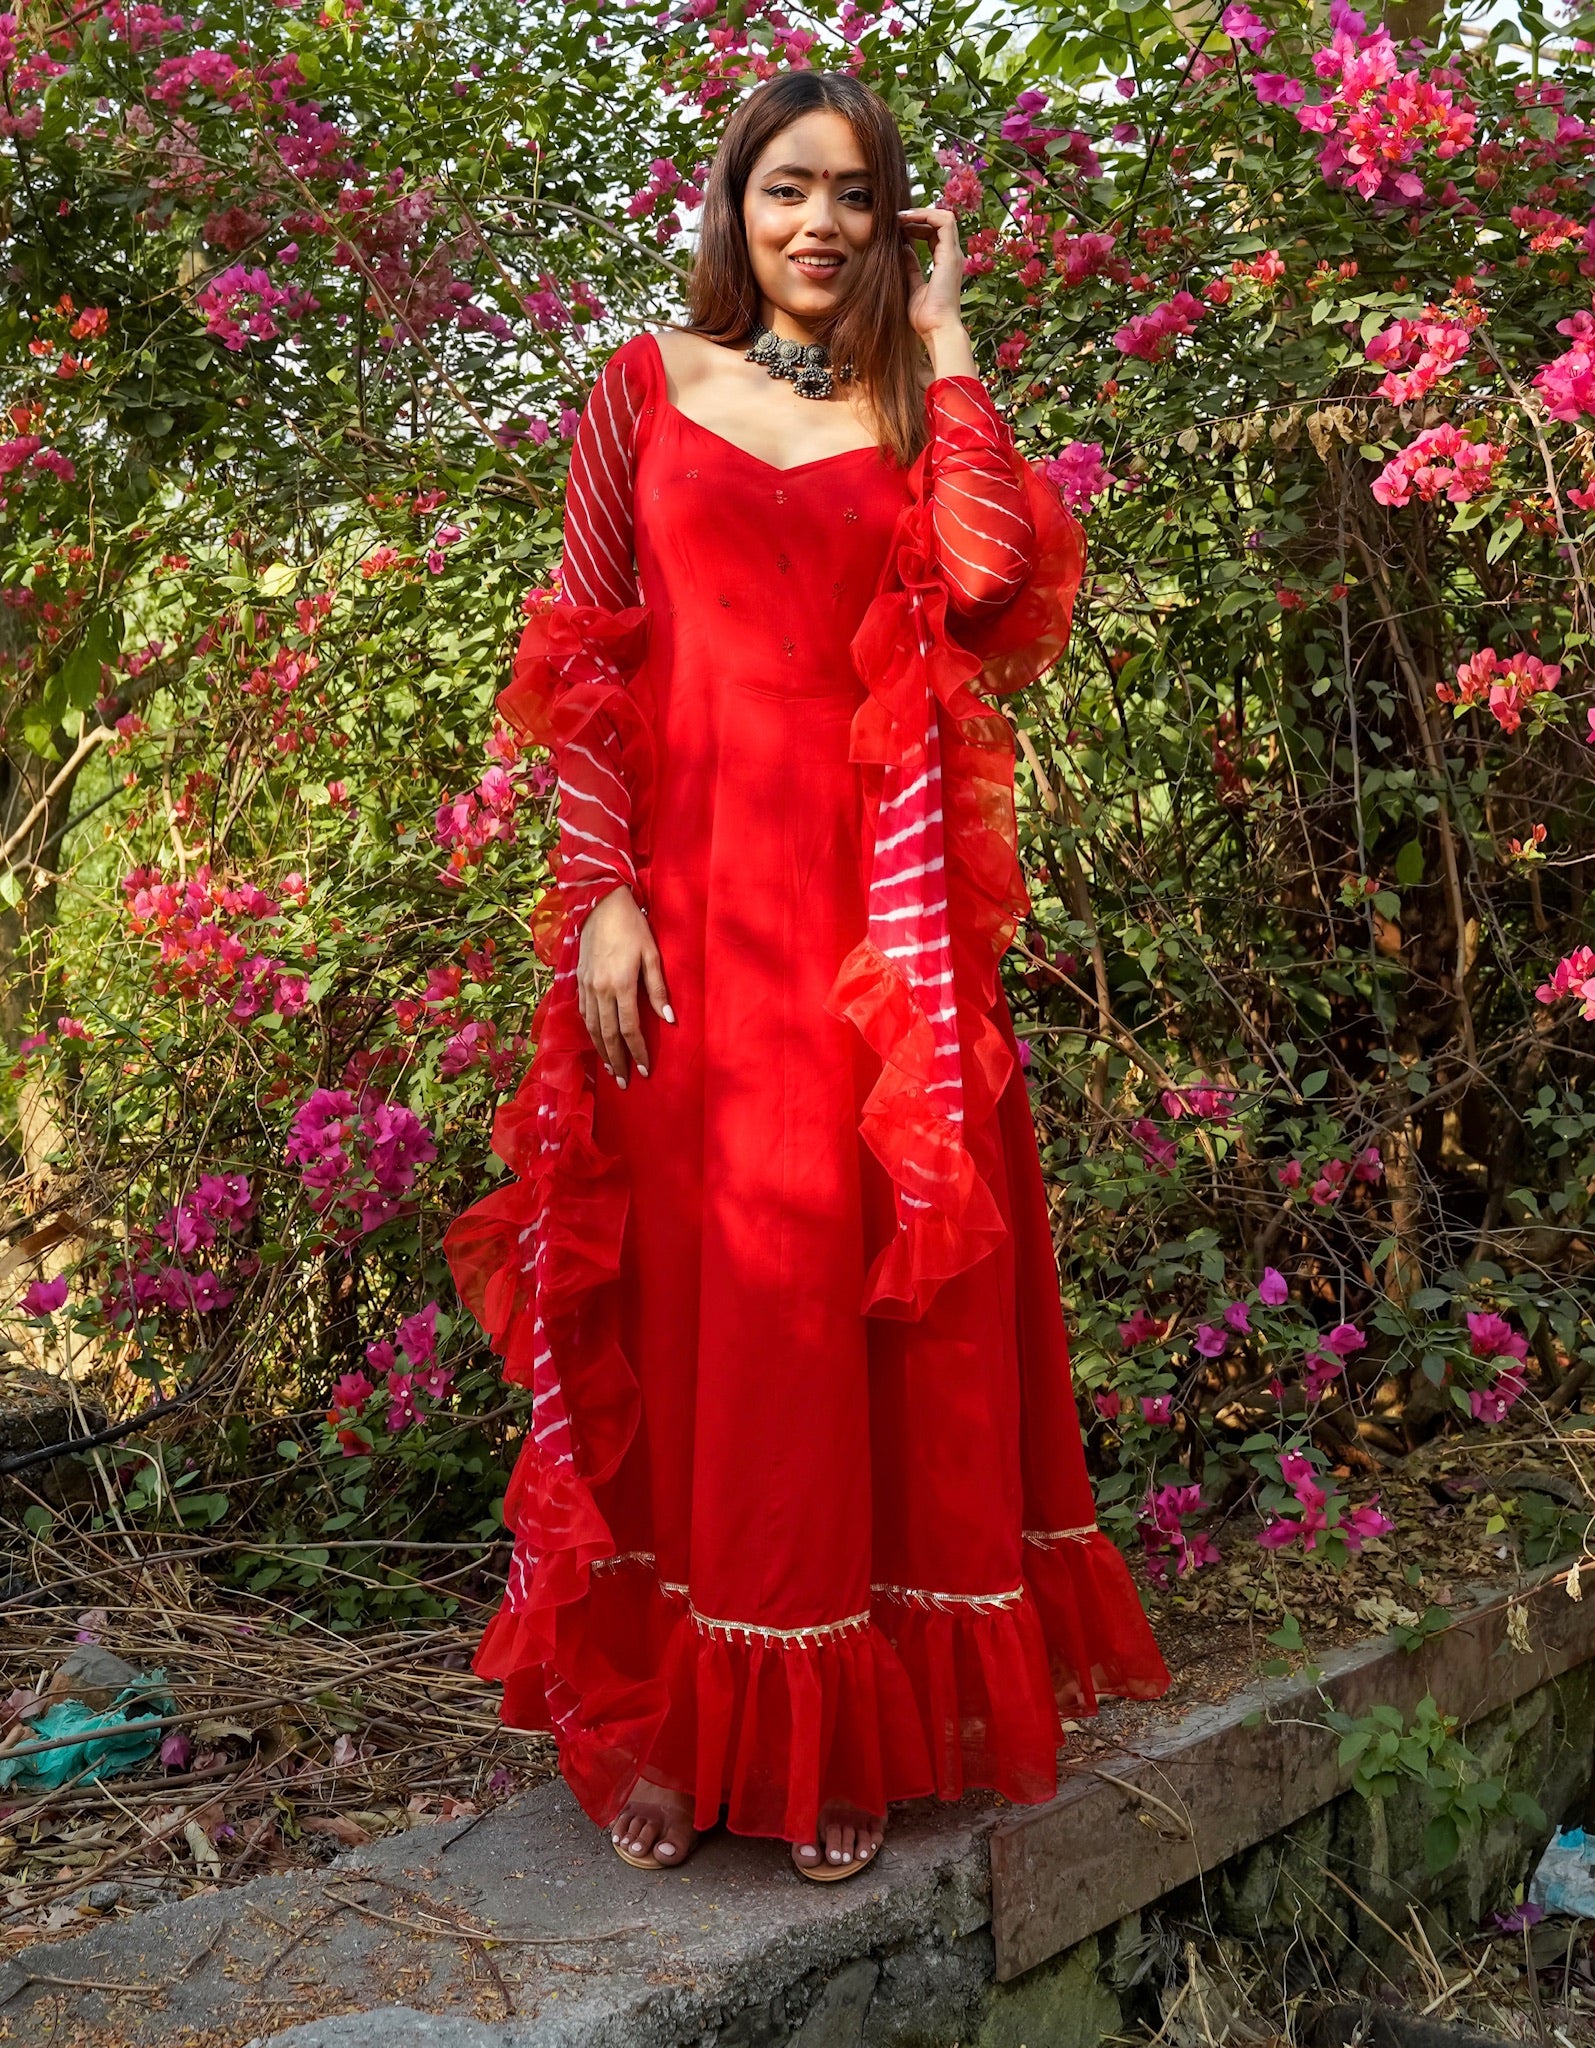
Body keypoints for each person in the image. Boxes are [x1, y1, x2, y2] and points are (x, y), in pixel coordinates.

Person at [444, 64, 1169, 1886]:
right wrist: (604, 896)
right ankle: (682, 1734)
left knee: (848, 1322)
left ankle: (837, 1724)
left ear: (891, 218)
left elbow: (999, 594)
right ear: (734, 204)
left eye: (856, 194)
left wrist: (954, 333)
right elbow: (591, 654)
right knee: (705, 1309)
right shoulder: (644, 386)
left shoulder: (911, 404)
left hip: (872, 950)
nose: (821, 225)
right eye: (789, 188)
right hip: (686, 924)